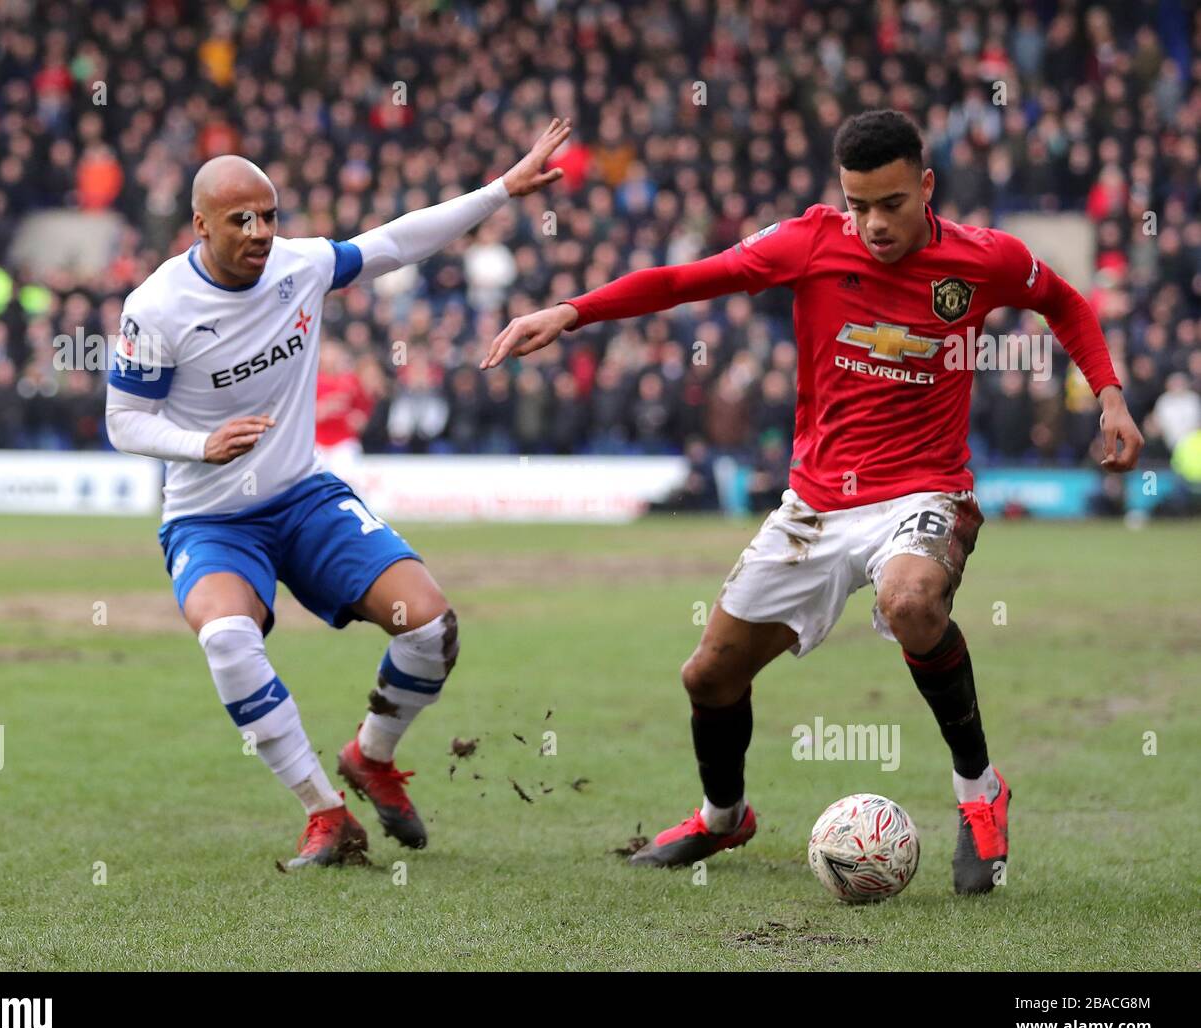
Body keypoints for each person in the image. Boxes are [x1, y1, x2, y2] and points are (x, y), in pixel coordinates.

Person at [481, 110, 1143, 895]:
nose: (872, 223)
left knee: (911, 600)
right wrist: (571, 311)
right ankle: (723, 817)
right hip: (818, 503)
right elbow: (686, 280)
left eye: (891, 203)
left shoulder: (984, 257)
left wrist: (1109, 397)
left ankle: (980, 792)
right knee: (709, 677)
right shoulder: (808, 241)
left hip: (925, 489)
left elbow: (1065, 303)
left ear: (925, 187)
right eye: (857, 204)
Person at [105, 120, 571, 868]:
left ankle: (372, 755)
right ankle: (325, 812)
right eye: (241, 220)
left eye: (270, 215)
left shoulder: (300, 266)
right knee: (227, 639)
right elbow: (123, 418)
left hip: (303, 497)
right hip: (212, 518)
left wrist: (501, 190)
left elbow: (396, 241)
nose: (260, 231)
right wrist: (201, 444)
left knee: (430, 627)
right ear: (199, 224)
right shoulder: (157, 307)